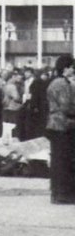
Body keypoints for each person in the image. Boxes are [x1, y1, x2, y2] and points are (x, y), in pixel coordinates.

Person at [45, 55, 75, 205]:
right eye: (71, 67)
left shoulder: (56, 82)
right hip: (62, 125)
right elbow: (66, 106)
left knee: (58, 160)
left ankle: (58, 193)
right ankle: (63, 194)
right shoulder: (62, 84)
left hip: (56, 125)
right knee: (63, 161)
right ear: (65, 68)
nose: (73, 70)